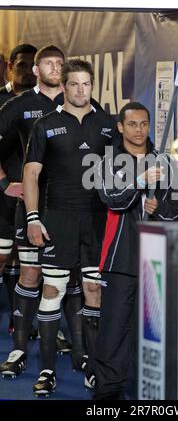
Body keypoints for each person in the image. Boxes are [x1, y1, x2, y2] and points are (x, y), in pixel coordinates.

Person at [22, 58, 116, 396]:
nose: (80, 90)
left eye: (86, 84)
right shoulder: (45, 125)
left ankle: (93, 366)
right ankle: (46, 369)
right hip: (58, 219)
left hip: (98, 220)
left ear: (93, 86)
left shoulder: (108, 124)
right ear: (64, 86)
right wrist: (33, 218)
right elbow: (31, 174)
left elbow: (122, 171)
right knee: (52, 291)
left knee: (94, 291)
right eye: (74, 84)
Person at [93, 101, 178, 400]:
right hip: (120, 257)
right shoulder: (107, 161)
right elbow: (112, 199)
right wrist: (138, 182)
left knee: (152, 328)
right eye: (132, 124)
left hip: (156, 258)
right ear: (120, 127)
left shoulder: (166, 162)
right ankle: (108, 389)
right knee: (114, 328)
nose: (138, 130)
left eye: (144, 124)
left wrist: (160, 208)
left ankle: (147, 388)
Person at [0, 45, 75, 377]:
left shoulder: (78, 101)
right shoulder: (20, 105)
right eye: (48, 63)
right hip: (30, 204)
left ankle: (56, 335)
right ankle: (18, 348)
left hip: (68, 207)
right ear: (36, 70)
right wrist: (4, 183)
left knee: (63, 277)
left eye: (60, 63)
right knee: (29, 274)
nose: (55, 68)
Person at [0, 43, 37, 334]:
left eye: (31, 65)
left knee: (30, 265)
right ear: (11, 67)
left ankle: (20, 320)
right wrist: (3, 183)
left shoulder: (49, 103)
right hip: (2, 196)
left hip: (34, 198)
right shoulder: (2, 102)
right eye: (21, 65)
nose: (27, 71)